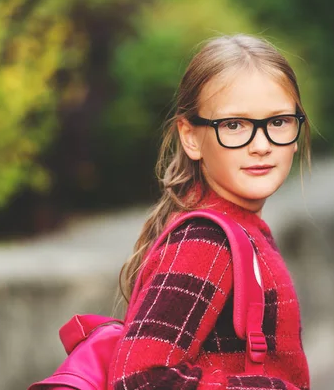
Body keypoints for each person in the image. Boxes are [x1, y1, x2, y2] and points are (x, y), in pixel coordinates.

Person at [108, 34, 311, 390]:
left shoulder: (244, 229)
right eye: (234, 125)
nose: (261, 145)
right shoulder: (206, 241)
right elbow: (137, 380)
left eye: (278, 122)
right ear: (190, 137)